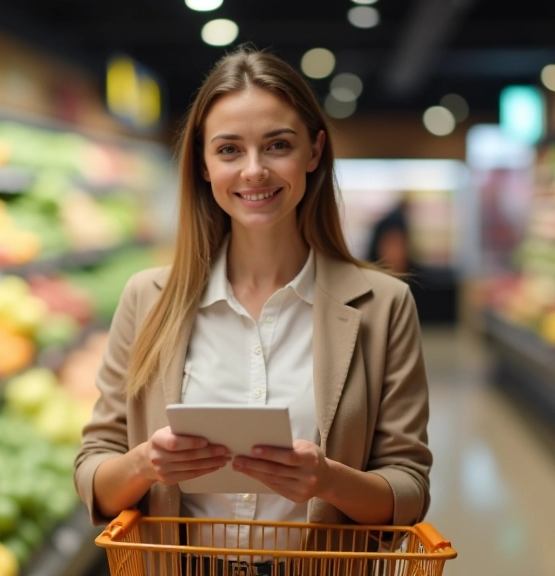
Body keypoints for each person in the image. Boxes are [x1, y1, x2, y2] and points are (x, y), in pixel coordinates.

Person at [74, 47, 432, 559]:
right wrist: (144, 465)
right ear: (202, 161)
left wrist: (326, 480)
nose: (254, 171)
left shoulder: (384, 305)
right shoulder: (147, 298)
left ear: (314, 152)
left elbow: (409, 492)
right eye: (228, 150)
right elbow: (92, 473)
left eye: (277, 145)